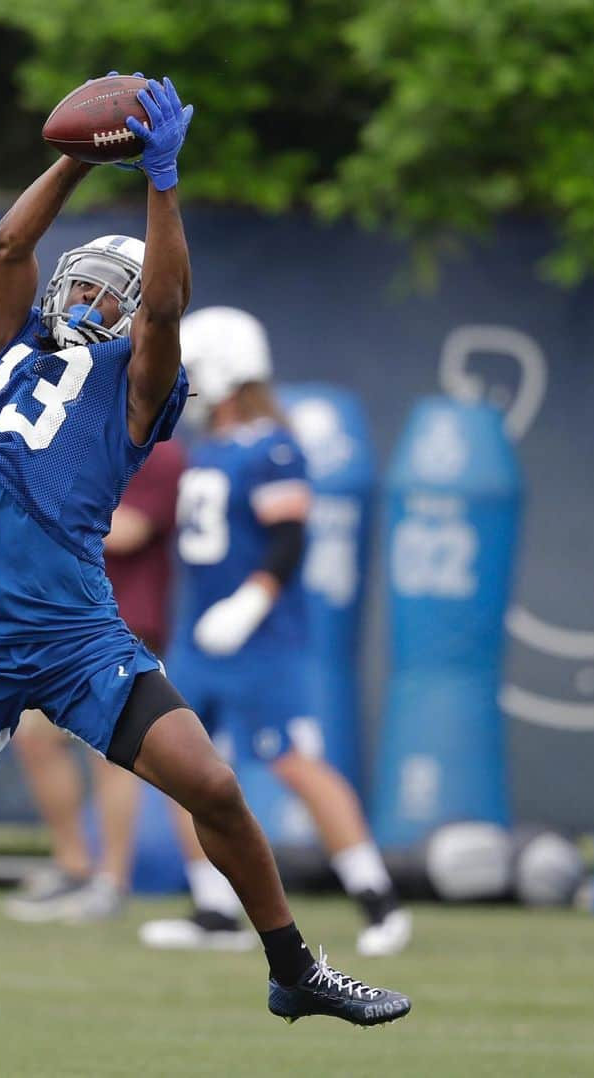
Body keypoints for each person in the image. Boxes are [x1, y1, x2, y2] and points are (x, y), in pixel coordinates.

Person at [0, 75, 410, 1027]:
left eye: (114, 291)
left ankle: (293, 967)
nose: (92, 295)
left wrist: (161, 180)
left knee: (214, 785)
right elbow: (10, 243)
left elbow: (169, 313)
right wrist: (77, 154)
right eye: (85, 280)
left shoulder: (137, 390)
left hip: (75, 637)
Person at [139, 306, 412, 957]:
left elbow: (289, 541)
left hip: (261, 639)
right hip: (199, 637)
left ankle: (378, 899)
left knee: (295, 763)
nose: (189, 386)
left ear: (228, 368)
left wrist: (250, 604)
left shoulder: (274, 446)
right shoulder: (208, 449)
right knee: (178, 765)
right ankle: (214, 909)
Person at [3, 437, 185, 923]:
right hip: (67, 617)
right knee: (34, 740)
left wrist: (47, 517)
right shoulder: (80, 443)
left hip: (126, 621)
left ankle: (112, 880)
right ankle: (74, 866)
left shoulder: (160, 453)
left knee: (112, 755)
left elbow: (128, 530)